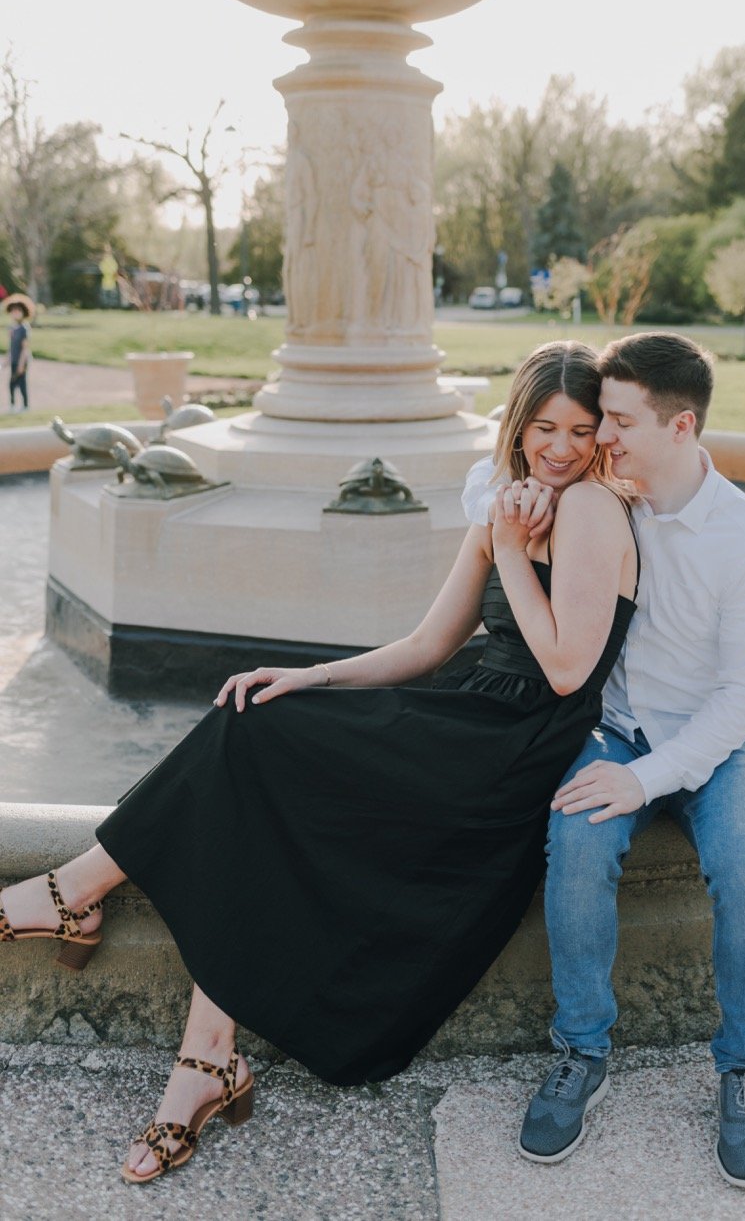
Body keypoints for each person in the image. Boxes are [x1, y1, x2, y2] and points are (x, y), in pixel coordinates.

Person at [0, 340, 639, 1183]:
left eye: (581, 430)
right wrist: (308, 674)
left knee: (265, 758)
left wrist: (514, 549)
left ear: (600, 438)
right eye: (544, 427)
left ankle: (73, 896)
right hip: (464, 713)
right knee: (258, 717)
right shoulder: (501, 513)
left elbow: (564, 669)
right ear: (517, 428)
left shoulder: (590, 507)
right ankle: (204, 1050)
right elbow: (425, 644)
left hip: (514, 749)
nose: (560, 448)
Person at [461, 331, 745, 1187]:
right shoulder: (604, 497)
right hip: (612, 727)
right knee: (574, 843)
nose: (598, 436)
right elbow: (488, 484)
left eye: (616, 420)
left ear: (680, 427)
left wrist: (648, 777)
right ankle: (580, 1049)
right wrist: (514, 507)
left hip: (716, 744)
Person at [7, 296, 31, 412]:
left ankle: (25, 406)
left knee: (22, 384)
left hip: (22, 361)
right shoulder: (12, 328)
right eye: (13, 311)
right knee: (11, 384)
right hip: (14, 360)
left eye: (18, 311)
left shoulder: (24, 328)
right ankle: (12, 405)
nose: (15, 313)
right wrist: (7, 360)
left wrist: (22, 364)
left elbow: (25, 348)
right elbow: (11, 347)